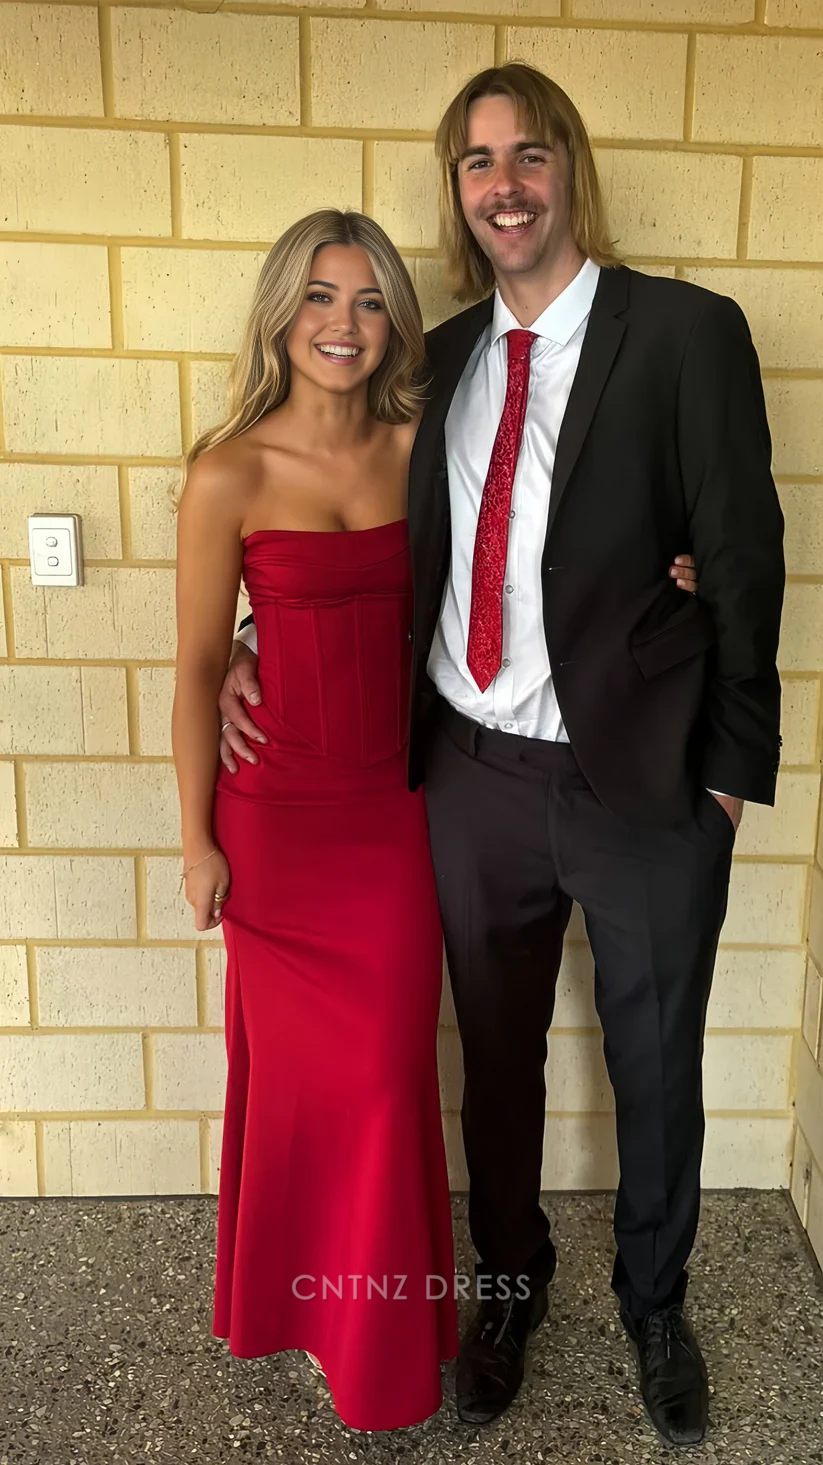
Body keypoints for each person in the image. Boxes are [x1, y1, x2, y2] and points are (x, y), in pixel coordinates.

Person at [219, 63, 784, 1449]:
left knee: (654, 1058)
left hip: (645, 778)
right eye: (476, 163)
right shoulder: (440, 359)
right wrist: (248, 634)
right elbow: (356, 524)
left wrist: (727, 775)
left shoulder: (684, 334)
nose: (504, 185)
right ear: (457, 193)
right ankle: (508, 1283)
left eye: (527, 154)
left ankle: (655, 1300)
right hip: (470, 773)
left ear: (567, 167)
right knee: (497, 1058)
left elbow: (743, 556)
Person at [172, 210, 463, 1434]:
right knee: (297, 1095)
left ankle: (381, 1344)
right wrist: (197, 840)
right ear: (281, 314)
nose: (344, 324)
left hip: (394, 817)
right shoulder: (228, 472)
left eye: (370, 299)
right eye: (320, 297)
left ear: (396, 320)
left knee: (387, 1085)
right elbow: (197, 667)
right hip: (274, 828)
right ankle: (309, 1321)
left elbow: (522, 562)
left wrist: (671, 571)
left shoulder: (424, 446)